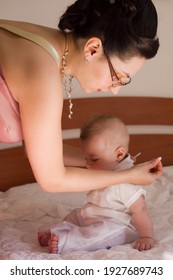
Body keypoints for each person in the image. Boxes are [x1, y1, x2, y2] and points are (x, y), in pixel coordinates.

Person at [0, 0, 162, 194]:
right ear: (93, 48)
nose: (115, 89)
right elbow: (53, 180)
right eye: (118, 77)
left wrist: (109, 161)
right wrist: (127, 176)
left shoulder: (39, 42)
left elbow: (36, 150)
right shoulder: (42, 72)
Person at [38, 114, 155, 253]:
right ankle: (55, 231)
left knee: (99, 234)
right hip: (91, 214)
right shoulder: (102, 169)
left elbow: (140, 210)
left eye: (93, 159)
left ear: (119, 154)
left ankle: (66, 242)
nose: (87, 164)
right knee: (74, 216)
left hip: (115, 224)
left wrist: (146, 236)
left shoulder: (127, 183)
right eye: (86, 157)